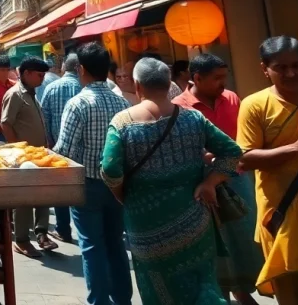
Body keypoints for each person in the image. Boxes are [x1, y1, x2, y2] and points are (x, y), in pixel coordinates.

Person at [102, 57, 242, 305]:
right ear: (169, 84)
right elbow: (232, 152)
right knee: (202, 283)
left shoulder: (122, 123)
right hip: (195, 220)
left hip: (145, 225)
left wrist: (123, 196)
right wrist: (210, 182)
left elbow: (111, 170)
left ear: (137, 86)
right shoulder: (194, 119)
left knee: (158, 289)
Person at [236, 36, 298, 304]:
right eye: (281, 67)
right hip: (283, 221)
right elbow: (244, 158)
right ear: (264, 69)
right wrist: (296, 148)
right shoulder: (254, 105)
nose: (290, 73)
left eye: (296, 65)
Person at [173, 54, 262, 305]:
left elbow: (243, 138)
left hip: (238, 178)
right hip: (204, 185)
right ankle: (219, 294)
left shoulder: (232, 98)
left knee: (244, 239)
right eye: (217, 78)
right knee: (215, 242)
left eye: (225, 77)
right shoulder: (179, 107)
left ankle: (242, 290)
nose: (223, 83)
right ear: (197, 78)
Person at [53, 43, 132, 305]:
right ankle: (122, 299)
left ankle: (99, 300)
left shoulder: (77, 104)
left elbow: (64, 150)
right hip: (118, 185)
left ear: (81, 70)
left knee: (91, 246)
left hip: (88, 185)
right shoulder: (122, 102)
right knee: (116, 244)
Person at [2, 56, 55, 258]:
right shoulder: (15, 94)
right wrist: (18, 152)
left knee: (43, 195)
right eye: (39, 75)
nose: (42, 79)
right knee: (23, 199)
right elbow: (6, 123)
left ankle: (42, 233)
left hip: (39, 155)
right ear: (26, 74)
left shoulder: (32, 94)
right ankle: (22, 239)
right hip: (23, 158)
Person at [39, 52, 81, 244]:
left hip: (58, 148)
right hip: (87, 149)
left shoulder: (52, 87)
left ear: (64, 66)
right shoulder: (85, 86)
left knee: (60, 190)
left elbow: (44, 117)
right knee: (84, 188)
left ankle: (63, 229)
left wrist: (48, 143)